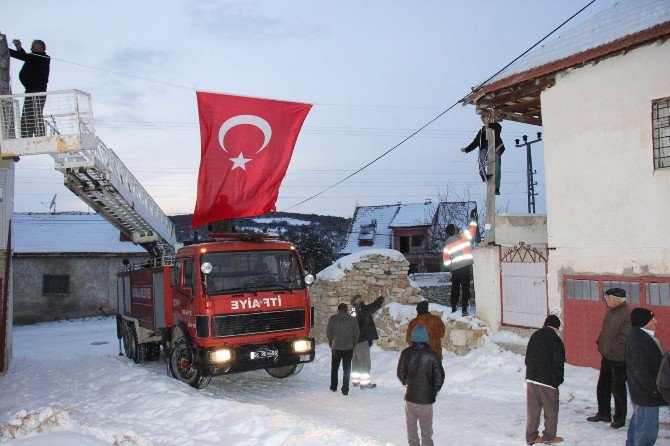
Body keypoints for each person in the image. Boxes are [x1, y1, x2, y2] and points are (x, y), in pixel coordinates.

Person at [586, 287, 633, 429]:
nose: (605, 299)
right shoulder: (611, 311)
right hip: (607, 356)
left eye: (608, 297)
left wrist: (613, 348)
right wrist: (601, 341)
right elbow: (606, 331)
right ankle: (603, 413)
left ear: (618, 299)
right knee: (603, 386)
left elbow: (625, 337)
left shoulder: (627, 313)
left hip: (619, 358)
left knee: (618, 389)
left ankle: (619, 418)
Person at [397, 325, 445, 446]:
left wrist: (406, 383)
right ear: (426, 338)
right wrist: (433, 390)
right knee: (426, 431)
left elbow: (400, 373)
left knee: (411, 430)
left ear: (412, 338)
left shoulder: (406, 353)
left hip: (410, 398)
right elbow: (439, 377)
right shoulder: (433, 355)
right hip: (426, 400)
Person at [626, 308, 667, 446]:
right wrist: (655, 389)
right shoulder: (639, 341)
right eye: (652, 319)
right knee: (647, 432)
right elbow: (640, 371)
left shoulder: (642, 336)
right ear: (644, 322)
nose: (655, 321)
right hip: (646, 395)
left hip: (643, 393)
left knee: (638, 423)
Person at [525, 315, 566, 445]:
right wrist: (558, 380)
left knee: (533, 409)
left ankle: (531, 436)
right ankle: (549, 436)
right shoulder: (556, 340)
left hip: (532, 378)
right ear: (556, 328)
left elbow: (527, 359)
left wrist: (531, 373)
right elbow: (558, 363)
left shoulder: (535, 336)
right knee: (551, 409)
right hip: (548, 381)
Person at [9, 38, 50, 137]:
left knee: (31, 115)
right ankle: (35, 135)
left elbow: (24, 56)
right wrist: (19, 48)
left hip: (35, 92)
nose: (31, 48)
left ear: (38, 48)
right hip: (34, 91)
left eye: (32, 46)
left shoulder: (42, 58)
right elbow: (26, 56)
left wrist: (5, 49)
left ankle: (32, 135)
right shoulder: (37, 57)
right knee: (34, 114)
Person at [443, 208, 477, 316]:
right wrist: (472, 218)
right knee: (466, 288)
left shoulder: (447, 243)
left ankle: (453, 307)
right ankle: (464, 310)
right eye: (455, 227)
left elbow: (446, 260)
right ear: (455, 230)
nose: (457, 227)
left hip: (455, 270)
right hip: (465, 267)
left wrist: (451, 268)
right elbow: (472, 229)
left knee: (455, 288)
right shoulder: (462, 236)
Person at [350, 289, 387, 389]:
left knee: (356, 361)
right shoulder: (361, 309)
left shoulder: (353, 311)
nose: (362, 299)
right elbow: (373, 307)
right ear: (357, 301)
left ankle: (356, 381)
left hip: (354, 342)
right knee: (365, 362)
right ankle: (365, 384)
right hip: (361, 341)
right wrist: (381, 297)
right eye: (360, 298)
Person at [460, 122, 505, 195]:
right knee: (481, 158)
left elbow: (498, 128)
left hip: (496, 148)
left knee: (497, 168)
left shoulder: (496, 127)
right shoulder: (481, 131)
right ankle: (484, 175)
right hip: (484, 148)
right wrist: (466, 149)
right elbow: (476, 142)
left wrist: (489, 125)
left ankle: (496, 188)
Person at [326, 303, 360, 396]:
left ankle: (333, 386)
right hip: (348, 348)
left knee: (334, 368)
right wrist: (353, 344)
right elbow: (357, 332)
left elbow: (329, 332)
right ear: (346, 310)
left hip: (336, 347)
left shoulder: (333, 318)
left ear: (338, 310)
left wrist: (330, 342)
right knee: (347, 369)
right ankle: (345, 389)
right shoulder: (352, 319)